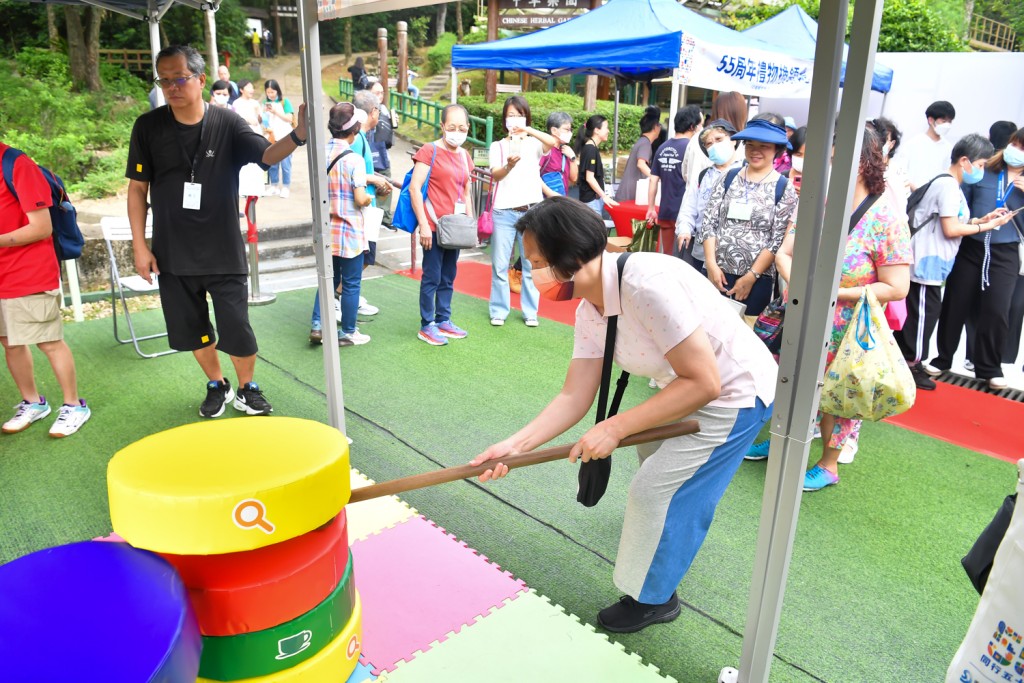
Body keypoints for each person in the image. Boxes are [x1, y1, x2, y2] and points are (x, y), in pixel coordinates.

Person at [470, 196, 775, 633]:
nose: (531, 271)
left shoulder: (647, 286)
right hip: (683, 386)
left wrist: (615, 427)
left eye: (537, 261)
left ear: (573, 256)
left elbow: (706, 382)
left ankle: (653, 598)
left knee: (658, 492)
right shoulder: (589, 308)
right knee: (658, 468)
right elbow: (575, 395)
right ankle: (664, 537)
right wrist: (513, 448)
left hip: (734, 392)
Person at [126, 45, 308, 418]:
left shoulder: (227, 122)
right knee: (192, 329)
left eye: (180, 78)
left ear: (201, 79)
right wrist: (140, 246)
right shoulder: (148, 126)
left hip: (222, 247)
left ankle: (247, 388)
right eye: (164, 80)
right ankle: (217, 383)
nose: (172, 87)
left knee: (236, 326)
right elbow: (137, 189)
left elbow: (267, 156)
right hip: (171, 251)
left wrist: (299, 134)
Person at [803, 128, 911, 492]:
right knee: (803, 382)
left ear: (866, 163)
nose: (834, 166)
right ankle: (790, 441)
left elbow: (897, 286)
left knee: (843, 396)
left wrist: (841, 292)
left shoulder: (885, 217)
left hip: (852, 326)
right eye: (833, 159)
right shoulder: (825, 203)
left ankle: (829, 463)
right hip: (813, 315)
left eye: (840, 159)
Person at [894, 134, 1012, 390]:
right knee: (922, 318)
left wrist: (981, 220)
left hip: (930, 264)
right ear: (965, 161)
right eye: (980, 165)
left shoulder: (948, 184)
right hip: (926, 266)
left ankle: (911, 363)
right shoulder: (948, 186)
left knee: (921, 316)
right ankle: (911, 365)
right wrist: (987, 226)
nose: (981, 170)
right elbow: (950, 229)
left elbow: (953, 222)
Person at [0, 142, 91, 437]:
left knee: (48, 341)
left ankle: (74, 405)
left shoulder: (17, 164)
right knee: (10, 341)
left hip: (29, 271)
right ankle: (33, 402)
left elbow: (41, 227)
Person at [925, 128, 1024, 390]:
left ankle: (990, 367)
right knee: (955, 302)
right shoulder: (984, 171)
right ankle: (943, 358)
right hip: (971, 245)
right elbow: (961, 208)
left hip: (1005, 252)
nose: (1016, 150)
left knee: (997, 310)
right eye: (1015, 143)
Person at [699, 119, 797, 321]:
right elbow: (709, 222)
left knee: (746, 334)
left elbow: (777, 239)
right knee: (710, 328)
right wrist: (711, 264)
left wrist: (751, 276)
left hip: (757, 279)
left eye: (764, 146)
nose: (755, 151)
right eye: (750, 145)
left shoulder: (784, 187)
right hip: (717, 273)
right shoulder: (728, 177)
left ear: (776, 150)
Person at [487, 96, 559, 329]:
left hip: (531, 213)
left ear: (526, 117)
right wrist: (509, 165)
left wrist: (527, 129)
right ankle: (499, 310)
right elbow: (495, 175)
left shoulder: (533, 143)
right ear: (503, 118)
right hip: (503, 212)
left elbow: (553, 142)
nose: (514, 119)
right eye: (510, 115)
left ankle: (530, 311)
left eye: (519, 114)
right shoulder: (497, 146)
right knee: (500, 265)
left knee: (531, 265)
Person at [410, 104, 475, 346]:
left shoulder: (464, 155)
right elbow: (415, 188)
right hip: (434, 227)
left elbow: (466, 191)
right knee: (432, 277)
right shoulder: (430, 151)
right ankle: (427, 325)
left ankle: (443, 320)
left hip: (455, 228)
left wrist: (470, 221)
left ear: (468, 128)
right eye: (451, 127)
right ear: (442, 127)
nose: (456, 132)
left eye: (461, 127)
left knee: (448, 276)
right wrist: (424, 225)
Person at [309, 103, 373, 346]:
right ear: (354, 129)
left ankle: (318, 325)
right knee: (350, 283)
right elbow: (359, 198)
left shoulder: (319, 153)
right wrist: (368, 197)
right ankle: (347, 331)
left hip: (326, 229)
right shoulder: (354, 159)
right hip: (349, 230)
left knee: (327, 278)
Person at [675, 119, 743, 271]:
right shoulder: (703, 176)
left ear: (733, 140)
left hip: (735, 256)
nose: (714, 146)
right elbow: (689, 208)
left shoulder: (746, 172)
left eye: (719, 139)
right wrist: (685, 229)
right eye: (708, 143)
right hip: (702, 253)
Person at [349, 90, 393, 317]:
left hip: (367, 205)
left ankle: (348, 295)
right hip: (360, 206)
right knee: (363, 256)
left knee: (364, 256)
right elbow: (350, 170)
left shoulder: (360, 137)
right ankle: (341, 296)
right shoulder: (357, 139)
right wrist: (375, 178)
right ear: (373, 112)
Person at [646, 105, 702, 254]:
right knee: (682, 263)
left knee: (668, 256)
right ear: (692, 126)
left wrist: (651, 208)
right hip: (685, 214)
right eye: (700, 125)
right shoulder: (692, 148)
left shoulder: (662, 147)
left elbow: (653, 180)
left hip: (665, 211)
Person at [894, 100, 956, 191]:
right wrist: (915, 190)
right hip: (911, 196)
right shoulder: (913, 143)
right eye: (943, 121)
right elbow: (900, 171)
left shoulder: (949, 148)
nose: (947, 125)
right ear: (931, 120)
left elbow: (948, 176)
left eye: (949, 122)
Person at [614, 106, 661, 202]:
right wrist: (655, 178)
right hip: (627, 197)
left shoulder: (642, 141)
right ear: (655, 127)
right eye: (659, 125)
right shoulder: (645, 143)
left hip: (625, 194)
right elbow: (641, 164)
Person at [575, 115, 617, 216]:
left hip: (592, 200)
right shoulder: (590, 149)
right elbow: (589, 178)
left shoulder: (590, 147)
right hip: (591, 201)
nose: (608, 131)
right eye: (606, 127)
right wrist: (604, 196)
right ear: (596, 130)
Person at [369, 80, 398, 226]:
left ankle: (385, 217)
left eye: (382, 92)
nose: (380, 96)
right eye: (376, 93)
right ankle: (373, 217)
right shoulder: (364, 110)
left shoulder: (384, 109)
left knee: (387, 185)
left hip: (383, 153)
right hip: (369, 153)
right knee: (371, 186)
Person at [231, 80, 266, 197]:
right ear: (241, 90)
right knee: (244, 163)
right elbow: (235, 120)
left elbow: (260, 120)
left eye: (252, 87)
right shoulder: (236, 103)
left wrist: (260, 116)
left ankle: (257, 189)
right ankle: (242, 189)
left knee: (256, 162)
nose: (252, 90)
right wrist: (247, 120)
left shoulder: (255, 103)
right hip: (242, 135)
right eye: (248, 87)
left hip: (255, 132)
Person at [262, 79, 296, 198]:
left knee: (286, 164)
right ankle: (274, 186)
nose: (270, 95)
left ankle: (286, 187)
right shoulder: (265, 103)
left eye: (272, 92)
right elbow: (265, 121)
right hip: (272, 137)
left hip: (286, 138)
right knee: (273, 163)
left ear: (277, 91)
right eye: (268, 92)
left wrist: (275, 111)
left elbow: (289, 118)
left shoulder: (284, 102)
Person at [538, 111, 578, 199]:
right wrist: (551, 194)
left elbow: (574, 178)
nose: (570, 133)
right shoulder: (545, 149)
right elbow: (533, 175)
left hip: (561, 201)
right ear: (554, 130)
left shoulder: (565, 150)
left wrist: (573, 158)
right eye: (566, 129)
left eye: (570, 130)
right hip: (545, 203)